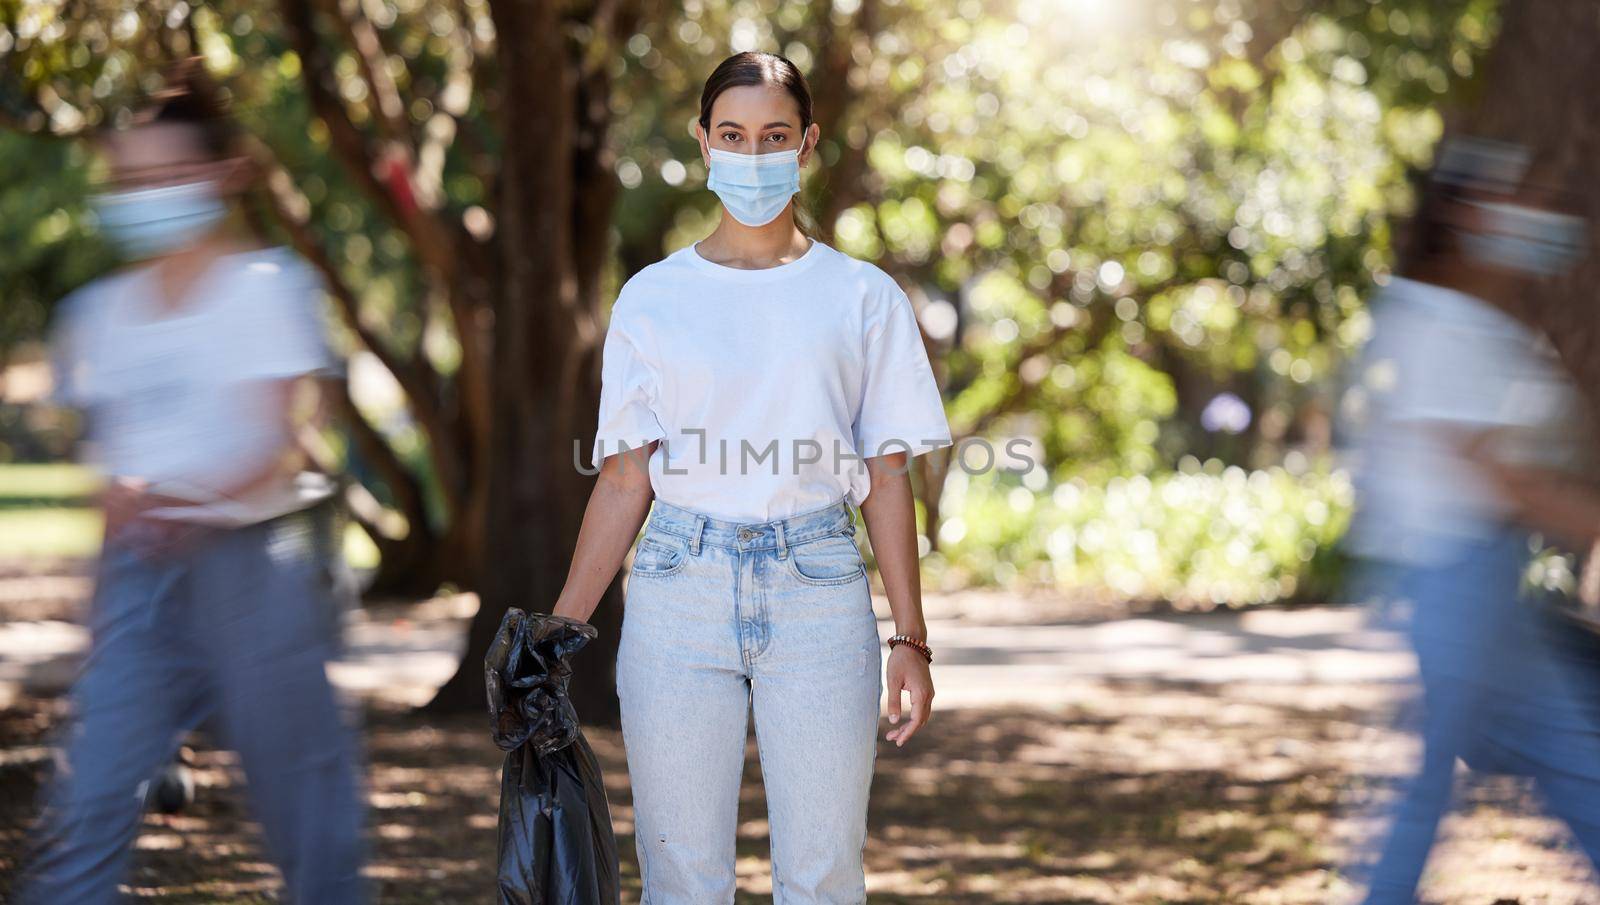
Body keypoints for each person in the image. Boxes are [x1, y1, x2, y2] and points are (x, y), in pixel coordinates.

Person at [550, 51, 952, 903]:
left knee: (822, 875)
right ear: (702, 143)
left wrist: (908, 639)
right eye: (732, 135)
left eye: (774, 136)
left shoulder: (862, 296)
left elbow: (886, 479)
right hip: (675, 591)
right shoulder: (652, 298)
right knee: (682, 878)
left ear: (807, 145)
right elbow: (625, 480)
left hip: (820, 591)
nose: (754, 155)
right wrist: (559, 631)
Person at [17, 65, 368, 904]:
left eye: (170, 175)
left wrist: (181, 496)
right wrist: (104, 584)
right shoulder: (97, 313)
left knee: (306, 813)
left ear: (219, 176)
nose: (148, 194)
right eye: (133, 179)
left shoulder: (267, 289)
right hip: (142, 576)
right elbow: (110, 463)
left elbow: (281, 444)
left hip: (256, 572)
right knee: (89, 796)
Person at [1339, 136, 1600, 904]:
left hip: (1486, 587)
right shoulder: (1433, 322)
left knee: (1571, 758)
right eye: (1523, 199)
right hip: (1447, 580)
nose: (1541, 217)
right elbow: (1505, 477)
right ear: (1468, 214)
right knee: (1427, 782)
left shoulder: (1478, 323)